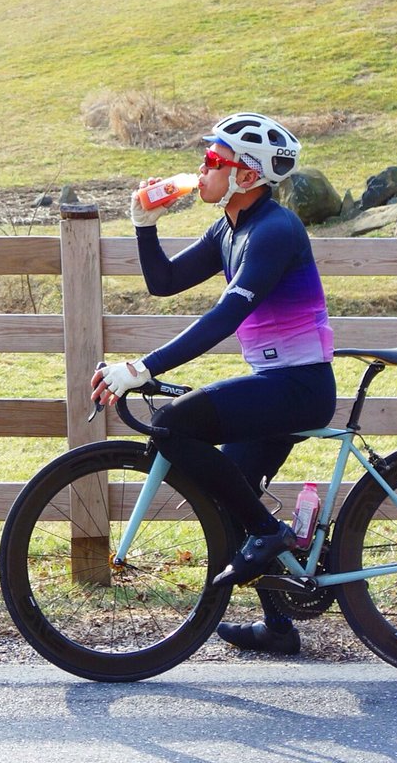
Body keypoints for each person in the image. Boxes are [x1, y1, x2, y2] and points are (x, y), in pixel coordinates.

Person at [91, 112, 336, 657]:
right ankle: (278, 626)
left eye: (213, 162)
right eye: (205, 160)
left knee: (175, 423)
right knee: (232, 496)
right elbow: (164, 283)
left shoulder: (274, 231)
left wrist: (144, 367)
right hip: (277, 382)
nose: (200, 170)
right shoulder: (229, 228)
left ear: (246, 176)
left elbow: (224, 317)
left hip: (299, 387)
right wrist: (143, 223)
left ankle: (271, 536)